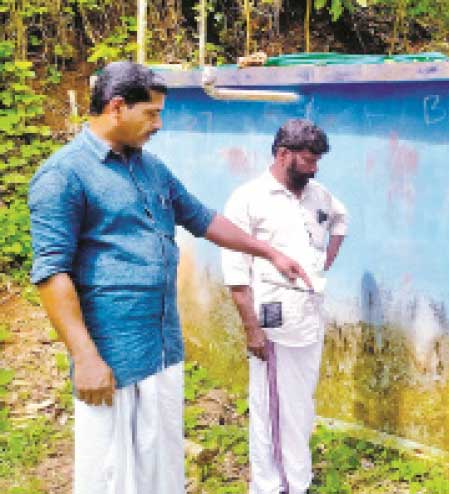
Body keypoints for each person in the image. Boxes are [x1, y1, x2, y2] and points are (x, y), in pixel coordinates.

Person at [28, 61, 310, 494]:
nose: (159, 124)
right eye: (152, 114)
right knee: (109, 476)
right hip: (110, 354)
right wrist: (84, 357)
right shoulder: (63, 175)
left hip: (162, 347)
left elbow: (201, 218)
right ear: (117, 107)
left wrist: (269, 252)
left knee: (161, 472)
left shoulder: (152, 169)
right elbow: (52, 272)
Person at [221, 119, 347, 494]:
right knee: (272, 409)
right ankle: (273, 486)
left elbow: (341, 221)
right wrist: (251, 330)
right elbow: (236, 275)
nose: (315, 168)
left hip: (310, 317)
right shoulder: (248, 199)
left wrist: (324, 263)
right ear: (282, 155)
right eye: (309, 160)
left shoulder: (318, 194)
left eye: (317, 160)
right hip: (273, 324)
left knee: (300, 406)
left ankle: (298, 479)